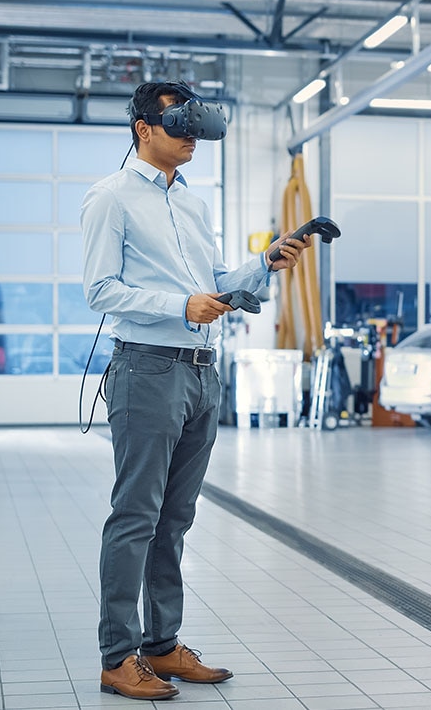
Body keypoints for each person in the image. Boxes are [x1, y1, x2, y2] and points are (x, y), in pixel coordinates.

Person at [82, 81, 310, 701]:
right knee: (136, 517)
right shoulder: (111, 199)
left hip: (202, 373)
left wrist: (266, 262)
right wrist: (180, 305)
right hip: (147, 370)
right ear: (142, 129)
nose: (189, 136)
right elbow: (100, 291)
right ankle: (117, 655)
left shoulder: (194, 204)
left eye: (193, 125)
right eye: (175, 124)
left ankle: (162, 646)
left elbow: (211, 283)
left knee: (174, 520)